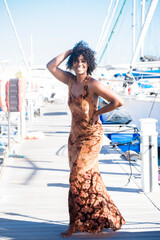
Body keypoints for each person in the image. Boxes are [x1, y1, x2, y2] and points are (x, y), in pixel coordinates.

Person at [46, 41, 125, 237]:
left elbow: (118, 101)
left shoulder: (92, 84)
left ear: (88, 63)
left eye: (83, 61)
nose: (79, 64)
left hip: (91, 136)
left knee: (76, 177)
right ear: (72, 63)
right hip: (74, 137)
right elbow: (50, 66)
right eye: (76, 61)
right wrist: (71, 51)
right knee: (90, 179)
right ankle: (108, 216)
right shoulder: (70, 81)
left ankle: (74, 223)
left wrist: (98, 111)